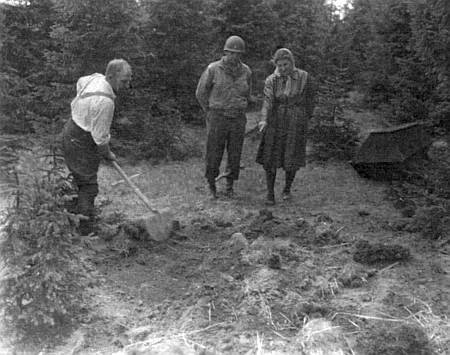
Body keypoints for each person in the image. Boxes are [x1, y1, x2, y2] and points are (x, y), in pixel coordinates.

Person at [62, 59, 132, 235]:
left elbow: (80, 82)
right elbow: (100, 139)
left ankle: (72, 220)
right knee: (89, 187)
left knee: (82, 183)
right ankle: (84, 232)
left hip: (72, 133)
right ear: (110, 76)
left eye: (129, 80)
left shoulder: (94, 78)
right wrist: (108, 155)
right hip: (79, 142)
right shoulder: (105, 102)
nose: (127, 85)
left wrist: (84, 110)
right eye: (124, 81)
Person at [256, 48, 315, 206]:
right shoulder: (271, 80)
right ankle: (270, 193)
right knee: (270, 156)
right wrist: (264, 119)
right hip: (276, 119)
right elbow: (267, 101)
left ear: (292, 62)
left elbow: (311, 102)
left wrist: (303, 118)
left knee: (292, 156)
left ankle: (287, 189)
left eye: (285, 64)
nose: (283, 68)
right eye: (279, 65)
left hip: (296, 120)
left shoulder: (304, 77)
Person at [196, 35, 252, 199]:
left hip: (237, 118)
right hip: (218, 116)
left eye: (238, 54)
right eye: (231, 53)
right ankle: (211, 185)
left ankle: (229, 186)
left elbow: (248, 94)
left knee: (235, 153)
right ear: (225, 52)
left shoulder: (246, 71)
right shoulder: (213, 69)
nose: (235, 57)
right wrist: (209, 111)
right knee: (214, 152)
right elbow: (201, 93)